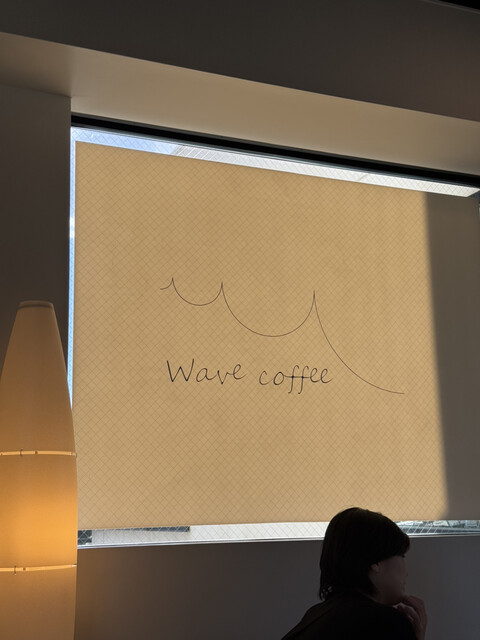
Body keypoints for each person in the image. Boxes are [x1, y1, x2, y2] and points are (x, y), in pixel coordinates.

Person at [281, 507, 427, 639]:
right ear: (375, 562)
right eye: (402, 555)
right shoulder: (388, 624)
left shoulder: (314, 615)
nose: (406, 572)